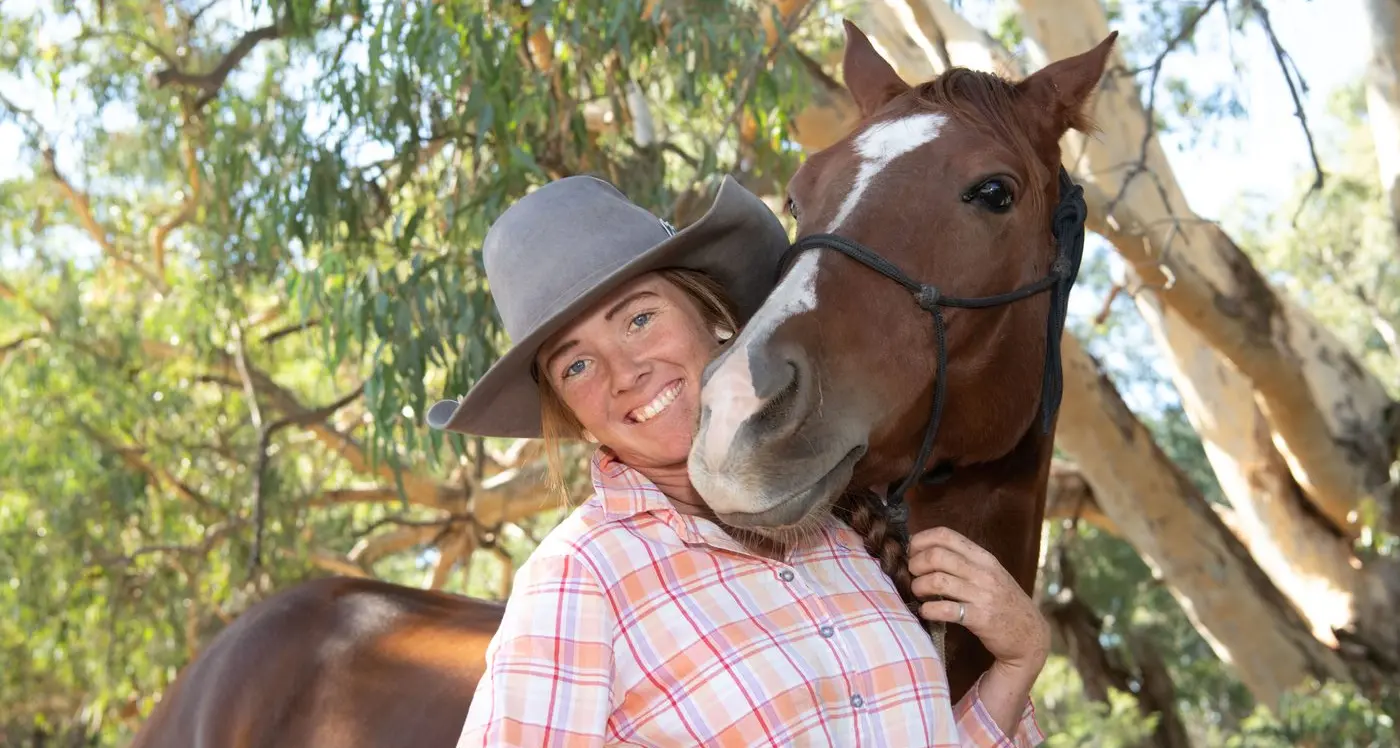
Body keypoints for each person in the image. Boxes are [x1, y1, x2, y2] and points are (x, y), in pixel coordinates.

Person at [426, 174, 1050, 746]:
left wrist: (1019, 661)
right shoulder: (582, 575)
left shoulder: (838, 534)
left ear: (715, 319)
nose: (625, 373)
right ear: (571, 411)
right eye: (578, 365)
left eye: (640, 319)